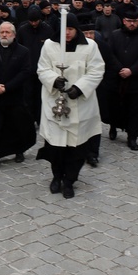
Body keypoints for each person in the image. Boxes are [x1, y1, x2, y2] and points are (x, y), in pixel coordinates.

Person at [36, 13, 105, 199]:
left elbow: (97, 70)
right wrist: (53, 80)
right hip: (55, 103)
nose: (66, 33)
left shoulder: (90, 47)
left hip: (80, 104)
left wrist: (80, 88)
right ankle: (56, 177)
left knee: (77, 149)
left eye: (71, 29)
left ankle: (69, 181)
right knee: (56, 147)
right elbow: (42, 68)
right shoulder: (49, 46)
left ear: (77, 30)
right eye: (64, 29)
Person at [0, 22, 35, 171]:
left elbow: (25, 72)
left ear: (14, 34)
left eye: (7, 32)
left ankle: (18, 150)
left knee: (16, 125)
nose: (4, 35)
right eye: (1, 32)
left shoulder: (23, 51)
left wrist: (7, 87)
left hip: (14, 97)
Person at [104, 6, 138, 150]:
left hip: (135, 80)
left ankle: (132, 137)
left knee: (134, 110)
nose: (132, 24)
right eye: (129, 21)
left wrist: (132, 70)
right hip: (116, 79)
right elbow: (110, 54)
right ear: (124, 21)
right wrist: (120, 69)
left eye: (135, 21)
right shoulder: (115, 35)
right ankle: (113, 126)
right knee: (115, 107)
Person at [79, 23, 111, 167]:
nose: (89, 36)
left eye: (91, 33)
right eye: (85, 33)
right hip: (77, 91)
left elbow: (108, 67)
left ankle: (92, 153)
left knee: (93, 123)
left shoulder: (101, 47)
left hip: (98, 90)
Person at [17, 6, 54, 123]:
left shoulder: (47, 29)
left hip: (43, 69)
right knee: (27, 96)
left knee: (40, 96)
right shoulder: (22, 30)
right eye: (31, 21)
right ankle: (29, 119)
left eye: (36, 21)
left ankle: (40, 118)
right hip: (27, 69)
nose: (33, 23)